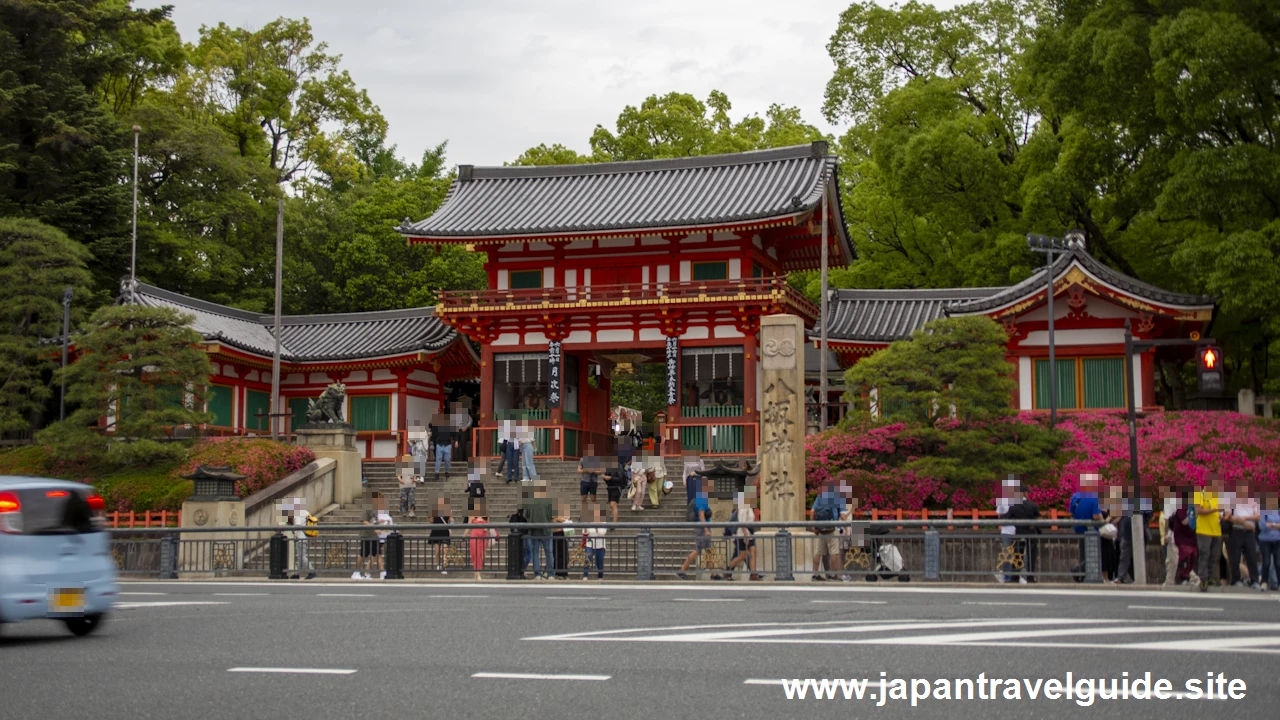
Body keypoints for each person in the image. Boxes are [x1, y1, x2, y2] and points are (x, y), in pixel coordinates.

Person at [810, 478, 848, 581]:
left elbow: (812, 511)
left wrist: (814, 526)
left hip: (821, 529)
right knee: (834, 552)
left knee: (818, 552)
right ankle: (833, 574)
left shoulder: (820, 497)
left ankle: (815, 574)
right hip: (832, 529)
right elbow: (843, 517)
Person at [1226, 483, 1262, 590]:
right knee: (1235, 557)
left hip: (1249, 532)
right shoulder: (1232, 499)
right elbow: (1228, 516)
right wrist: (1240, 521)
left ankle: (1254, 580)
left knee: (1252, 556)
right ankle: (1236, 580)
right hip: (1236, 530)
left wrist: (1245, 518)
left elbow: (1258, 516)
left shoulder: (1254, 499)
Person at [1069, 474, 1104, 579]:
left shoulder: (1075, 496)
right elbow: (1096, 516)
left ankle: (1082, 574)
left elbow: (1071, 513)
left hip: (1078, 528)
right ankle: (1079, 571)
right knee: (1092, 553)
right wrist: (1103, 520)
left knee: (1083, 552)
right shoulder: (1094, 497)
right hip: (1092, 530)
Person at [720, 491, 761, 581]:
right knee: (742, 555)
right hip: (743, 533)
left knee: (753, 552)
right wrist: (745, 533)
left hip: (750, 532)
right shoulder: (743, 507)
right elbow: (741, 521)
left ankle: (753, 574)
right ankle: (728, 570)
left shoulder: (749, 507)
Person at [1194, 476, 1226, 592]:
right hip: (1203, 530)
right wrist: (1214, 510)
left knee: (1214, 556)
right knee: (1204, 554)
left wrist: (1223, 516)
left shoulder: (1218, 496)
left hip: (1216, 530)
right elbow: (1199, 511)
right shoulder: (1199, 494)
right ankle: (1203, 579)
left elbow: (1222, 512)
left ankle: (1213, 578)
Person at [1004, 486, 1041, 584]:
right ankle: (1030, 577)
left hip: (1019, 533)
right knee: (1031, 555)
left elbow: (1007, 519)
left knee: (1017, 554)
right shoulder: (1033, 505)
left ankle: (1015, 577)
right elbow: (1038, 518)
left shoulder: (1014, 506)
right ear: (1024, 493)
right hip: (1031, 533)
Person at [677, 486, 712, 580]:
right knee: (699, 550)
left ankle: (714, 573)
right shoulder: (702, 499)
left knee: (709, 549)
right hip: (702, 528)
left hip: (702, 527)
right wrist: (706, 529)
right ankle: (682, 570)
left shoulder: (699, 498)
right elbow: (701, 514)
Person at [524, 482, 555, 579]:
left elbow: (526, 515)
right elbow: (552, 516)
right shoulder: (548, 501)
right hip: (546, 530)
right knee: (549, 552)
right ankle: (550, 574)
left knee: (535, 552)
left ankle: (537, 573)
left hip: (534, 530)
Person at [994, 476, 1018, 583]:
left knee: (1018, 553)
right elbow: (999, 514)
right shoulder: (1002, 500)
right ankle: (1007, 575)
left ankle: (1016, 575)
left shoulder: (1018, 500)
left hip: (1017, 530)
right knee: (1007, 553)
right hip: (1006, 531)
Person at [356, 491, 382, 580]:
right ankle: (356, 571)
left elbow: (373, 521)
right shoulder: (366, 508)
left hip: (374, 535)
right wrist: (374, 528)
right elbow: (364, 521)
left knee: (376, 554)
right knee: (363, 554)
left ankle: (367, 573)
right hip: (366, 534)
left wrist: (380, 522)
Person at [1258, 493, 1280, 592]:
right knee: (1266, 562)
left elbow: (1268, 525)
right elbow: (1262, 526)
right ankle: (1264, 582)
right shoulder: (1263, 512)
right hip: (1265, 540)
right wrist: (1276, 526)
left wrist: (1271, 525)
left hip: (1277, 540)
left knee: (1278, 563)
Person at [467, 509, 496, 581]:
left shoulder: (486, 515)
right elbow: (468, 527)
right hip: (474, 537)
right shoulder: (472, 516)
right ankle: (478, 574)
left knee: (482, 555)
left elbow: (487, 528)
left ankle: (476, 572)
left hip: (483, 537)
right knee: (476, 555)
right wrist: (464, 536)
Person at [581, 504, 607, 580]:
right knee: (587, 558)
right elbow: (585, 532)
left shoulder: (603, 522)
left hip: (600, 545)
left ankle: (600, 576)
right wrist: (586, 527)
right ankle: (585, 575)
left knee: (599, 561)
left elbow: (602, 532)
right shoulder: (589, 521)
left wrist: (596, 527)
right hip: (589, 544)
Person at [428, 496, 453, 574]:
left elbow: (451, 519)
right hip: (436, 531)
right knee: (437, 551)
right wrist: (430, 518)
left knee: (445, 550)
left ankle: (444, 566)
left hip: (445, 531)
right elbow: (431, 521)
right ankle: (438, 564)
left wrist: (452, 522)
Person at [431, 415, 459, 482]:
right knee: (438, 459)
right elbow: (432, 433)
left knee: (447, 459)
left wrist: (456, 441)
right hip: (439, 445)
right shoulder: (437, 426)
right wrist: (432, 444)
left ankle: (447, 471)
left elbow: (455, 434)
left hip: (447, 445)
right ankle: (437, 472)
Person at [374, 497, 393, 580]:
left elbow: (391, 523)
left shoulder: (387, 514)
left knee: (385, 554)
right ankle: (381, 571)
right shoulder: (376, 514)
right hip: (379, 537)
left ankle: (385, 570)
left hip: (387, 536)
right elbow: (371, 522)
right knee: (377, 555)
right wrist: (378, 522)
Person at [578, 446, 601, 511]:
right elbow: (578, 470)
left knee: (593, 498)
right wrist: (585, 470)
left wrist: (593, 471)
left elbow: (601, 471)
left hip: (593, 481)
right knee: (583, 498)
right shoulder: (582, 460)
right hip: (584, 481)